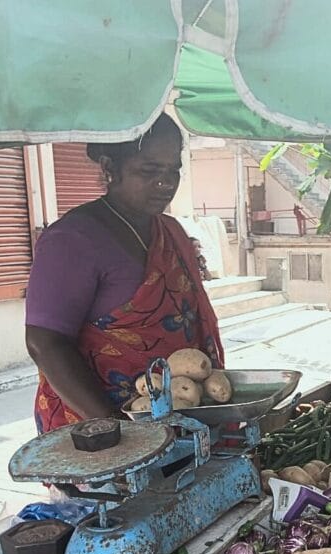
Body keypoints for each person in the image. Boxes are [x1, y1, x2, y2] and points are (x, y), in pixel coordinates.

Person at [25, 114, 224, 433]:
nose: (166, 182)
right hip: (102, 428)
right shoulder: (73, 240)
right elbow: (45, 343)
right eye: (149, 170)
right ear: (108, 168)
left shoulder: (171, 231)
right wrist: (113, 423)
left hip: (180, 417)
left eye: (174, 170)